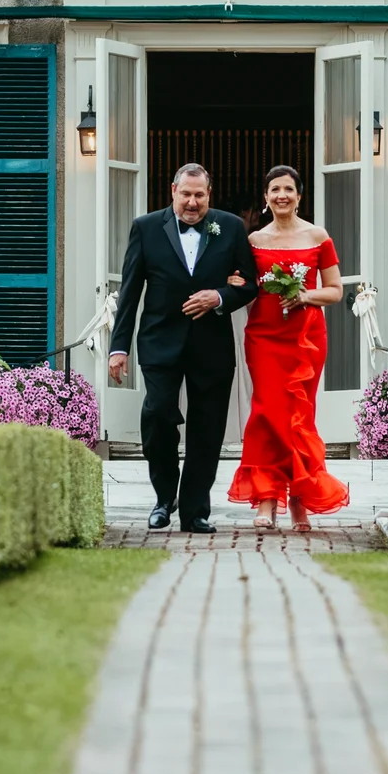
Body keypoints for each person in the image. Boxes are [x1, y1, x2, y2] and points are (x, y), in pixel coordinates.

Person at [108, 163, 260, 533]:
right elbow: (129, 293)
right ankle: (164, 497)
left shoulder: (231, 227)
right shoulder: (146, 228)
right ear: (173, 190)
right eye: (186, 194)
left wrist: (219, 296)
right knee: (157, 414)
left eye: (200, 195)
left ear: (209, 194)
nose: (192, 202)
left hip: (212, 345)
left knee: (207, 429)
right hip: (159, 341)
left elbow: (251, 284)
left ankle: (195, 511)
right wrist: (118, 347)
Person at [230, 164, 350, 531]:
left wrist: (306, 295)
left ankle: (299, 501)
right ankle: (266, 500)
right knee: (266, 412)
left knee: (300, 416)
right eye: (274, 189)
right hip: (264, 337)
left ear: (299, 196)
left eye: (288, 189)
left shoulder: (318, 237)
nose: (281, 195)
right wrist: (233, 281)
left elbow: (336, 289)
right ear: (266, 198)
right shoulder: (253, 241)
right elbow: (245, 284)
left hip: (306, 339)